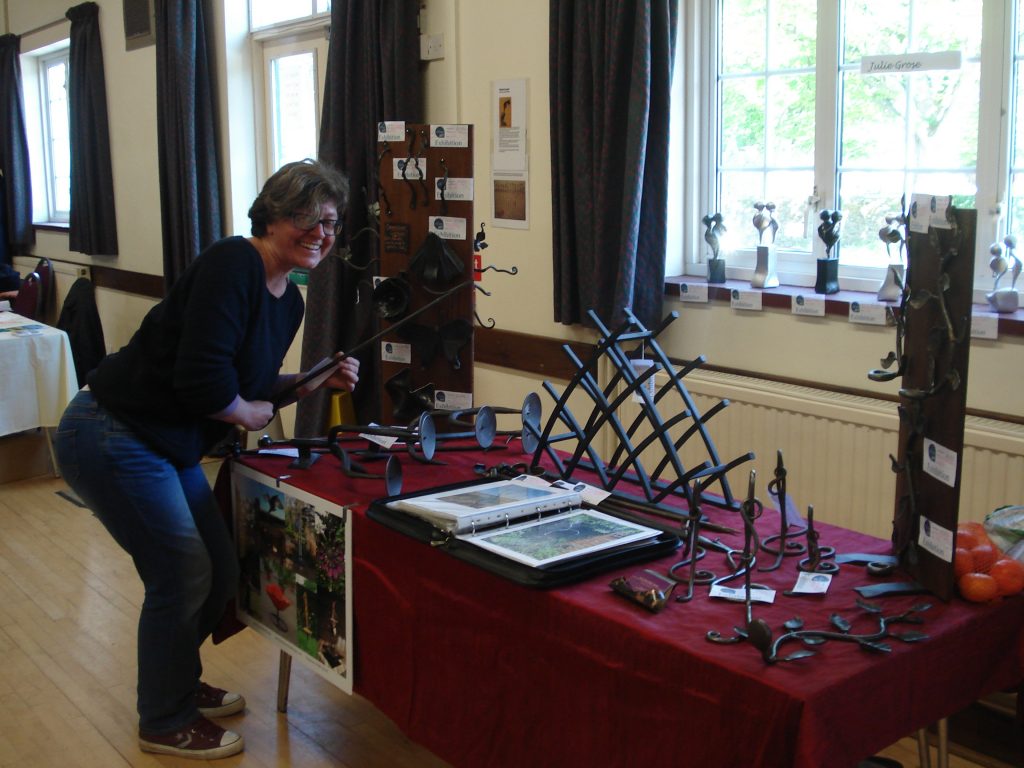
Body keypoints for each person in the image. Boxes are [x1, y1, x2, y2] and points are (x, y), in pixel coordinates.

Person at [53, 159, 359, 760]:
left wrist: (312, 380)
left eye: (330, 222)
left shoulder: (288, 302)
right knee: (182, 571)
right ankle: (163, 718)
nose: (321, 233)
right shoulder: (233, 262)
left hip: (164, 443)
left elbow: (249, 385)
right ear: (271, 215)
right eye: (307, 218)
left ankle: (175, 680)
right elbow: (204, 384)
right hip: (112, 431)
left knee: (220, 570)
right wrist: (244, 411)